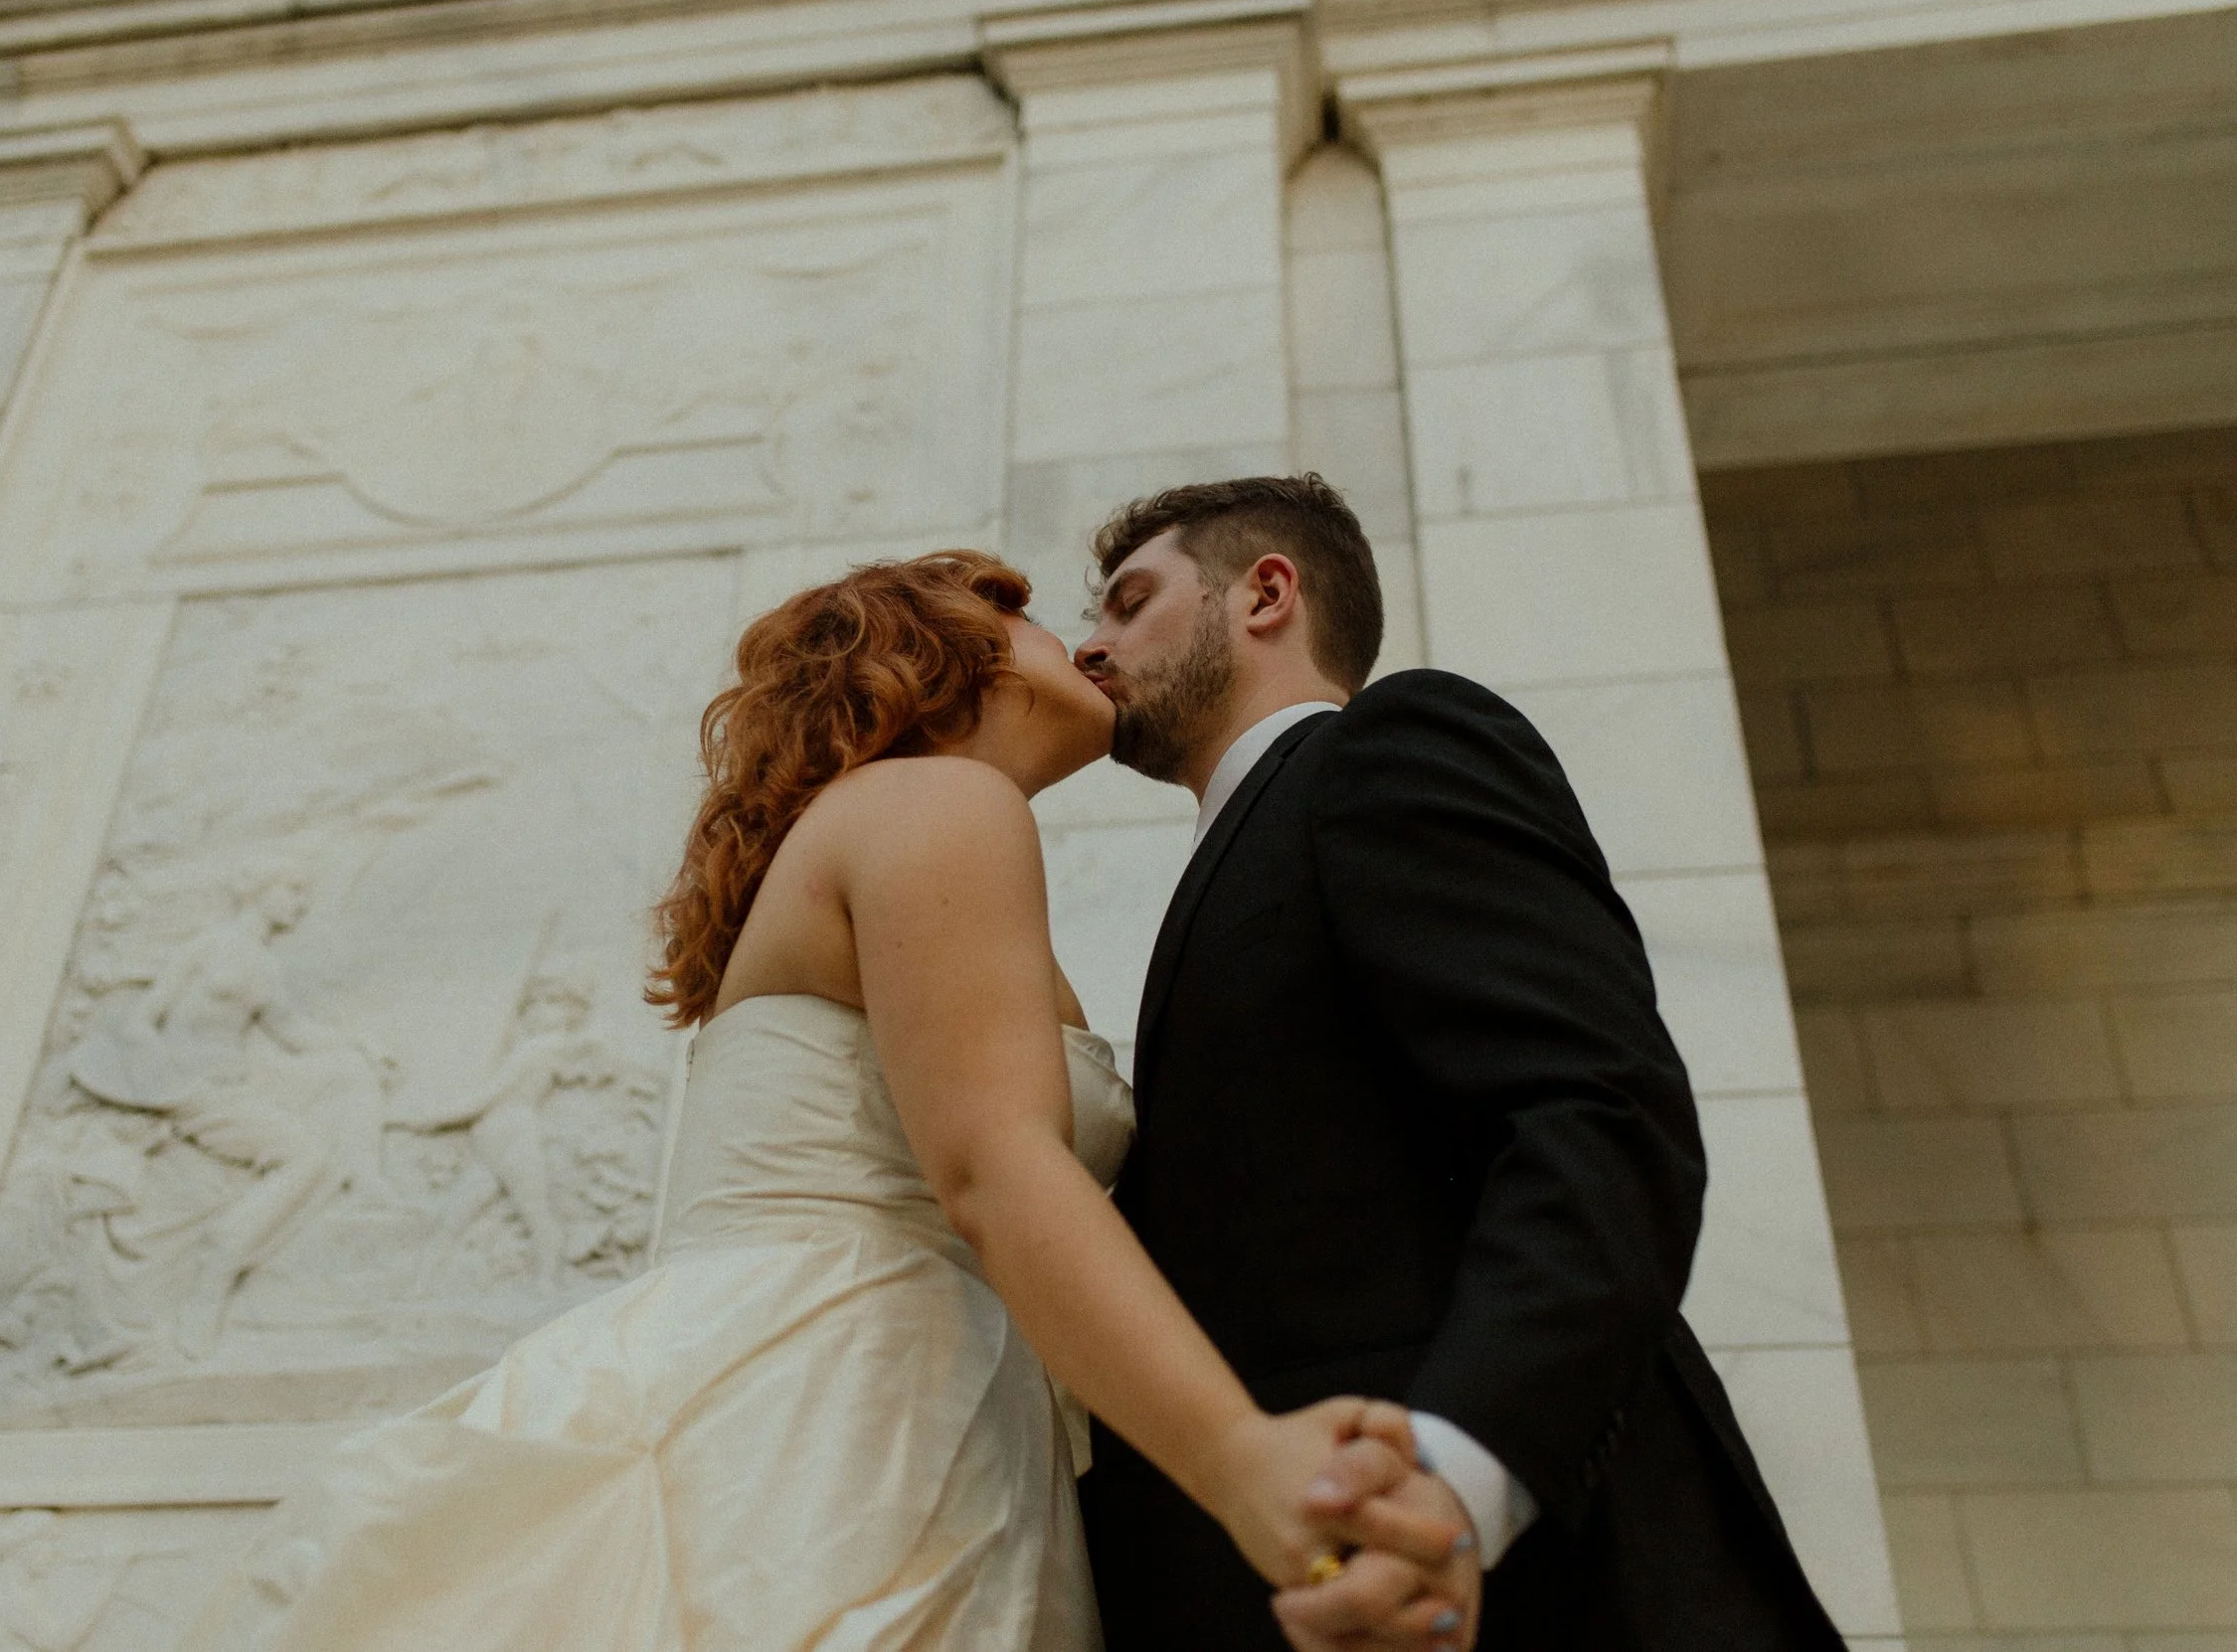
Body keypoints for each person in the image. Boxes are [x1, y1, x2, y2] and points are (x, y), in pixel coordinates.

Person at [173, 551, 1440, 1651]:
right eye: (1042, 615)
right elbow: (994, 1166)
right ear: (958, 652)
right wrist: (1237, 1457)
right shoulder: (937, 800)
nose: (1089, 642)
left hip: (900, 1398)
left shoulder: (911, 833)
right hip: (820, 1408)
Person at [1070, 475, 1850, 1651]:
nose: (1090, 644)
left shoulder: (1392, 743)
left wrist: (1459, 1474)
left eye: (1131, 601)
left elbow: (1593, 1109)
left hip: (1539, 1581)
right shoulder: (1238, 848)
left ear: (1266, 592)